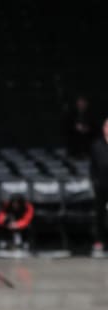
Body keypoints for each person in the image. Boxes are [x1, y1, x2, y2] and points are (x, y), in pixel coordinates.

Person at [89, 118, 108, 256]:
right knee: (100, 215)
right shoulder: (97, 145)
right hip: (101, 186)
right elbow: (93, 167)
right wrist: (95, 183)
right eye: (107, 125)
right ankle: (99, 242)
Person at [60, 95, 97, 159]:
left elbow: (95, 127)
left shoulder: (91, 114)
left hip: (88, 138)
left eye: (83, 102)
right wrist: (75, 127)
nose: (81, 104)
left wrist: (87, 129)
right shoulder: (71, 114)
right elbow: (66, 126)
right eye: (80, 102)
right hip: (74, 137)